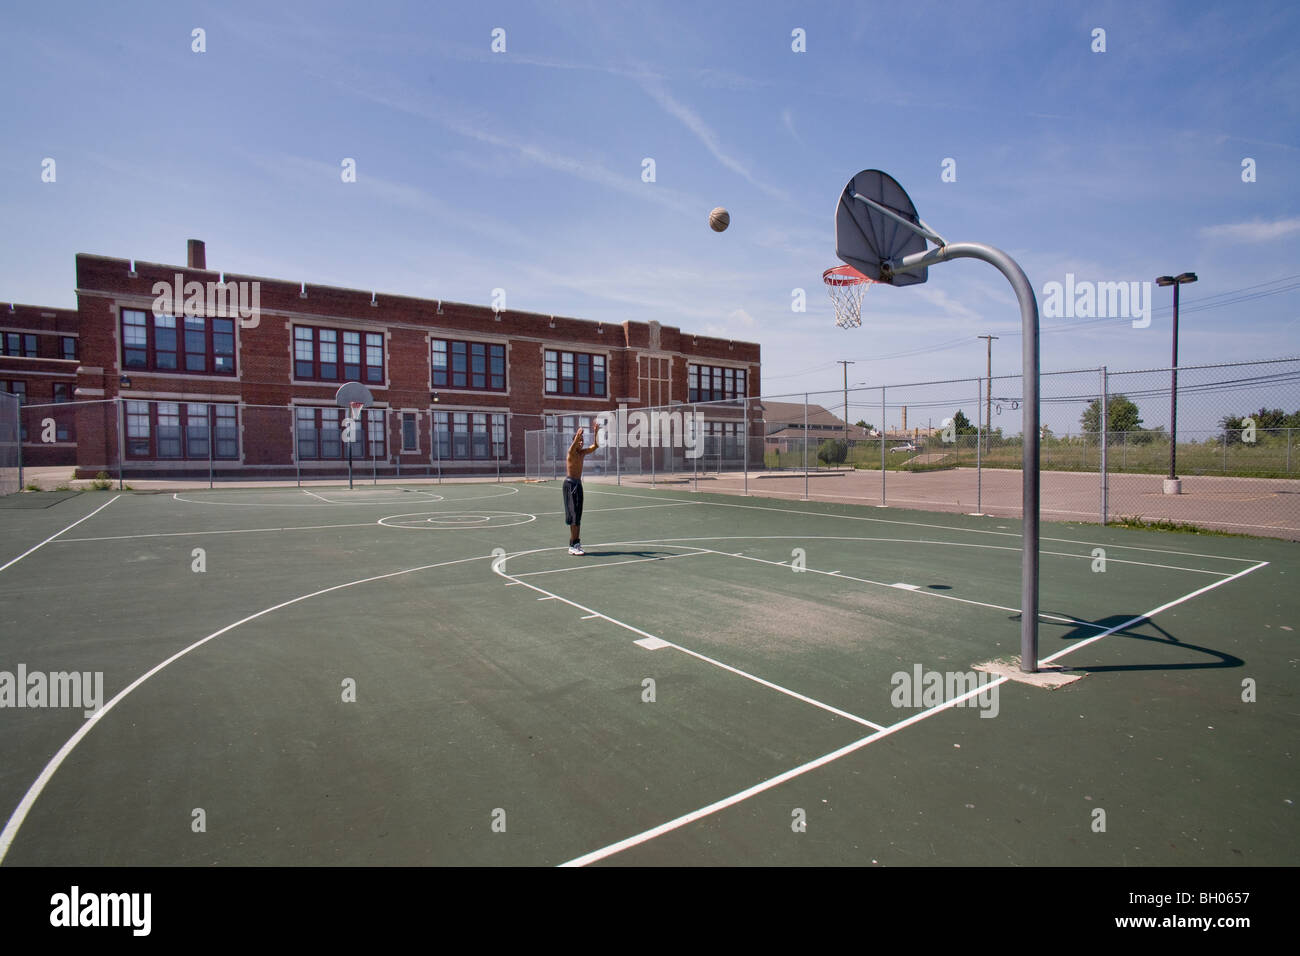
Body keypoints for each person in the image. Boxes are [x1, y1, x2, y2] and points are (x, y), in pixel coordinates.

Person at [563, 423, 599, 555]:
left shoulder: (582, 453)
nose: (581, 442)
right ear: (575, 441)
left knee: (577, 516)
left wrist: (595, 433)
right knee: (573, 516)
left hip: (578, 485)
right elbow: (573, 445)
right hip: (570, 485)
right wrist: (578, 434)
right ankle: (573, 544)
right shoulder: (571, 452)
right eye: (579, 440)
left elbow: (595, 446)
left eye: (583, 441)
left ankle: (576, 543)